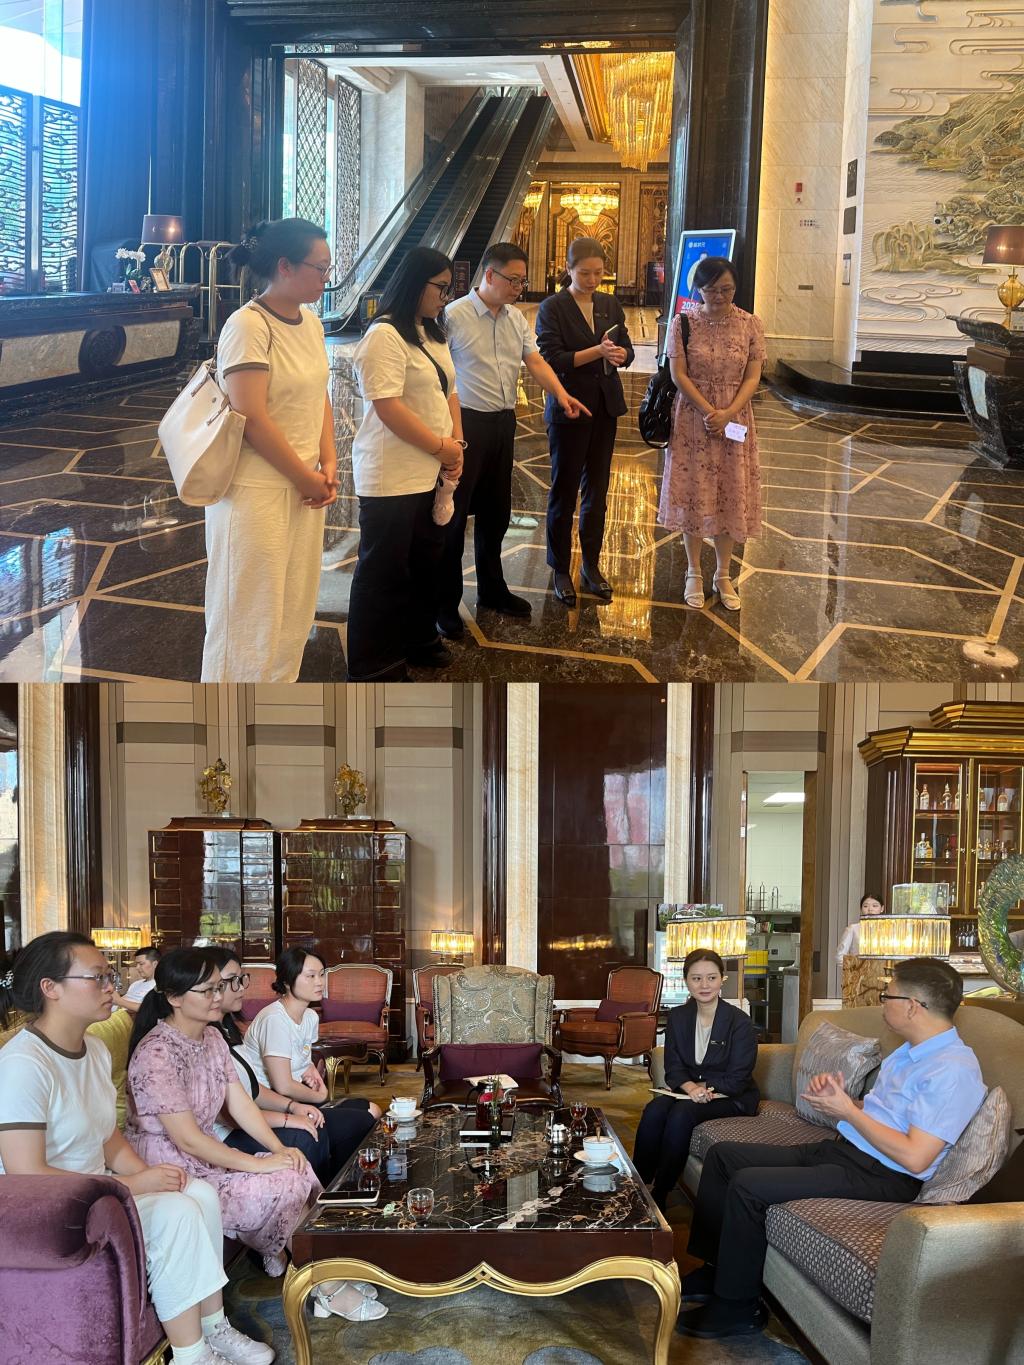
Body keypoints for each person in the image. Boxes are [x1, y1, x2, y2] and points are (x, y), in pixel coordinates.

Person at [0, 932, 275, 1365]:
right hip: (49, 1213)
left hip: (98, 1191)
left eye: (110, 976)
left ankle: (213, 1326)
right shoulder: (23, 1065)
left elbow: (107, 1138)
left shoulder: (92, 1050)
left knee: (198, 1193)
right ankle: (192, 1355)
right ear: (50, 988)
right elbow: (26, 1176)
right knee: (177, 1212)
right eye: (97, 978)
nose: (111, 987)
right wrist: (129, 1186)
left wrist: (142, 1175)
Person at [678, 957, 987, 1341]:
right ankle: (715, 1268)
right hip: (847, 1152)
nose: (882, 1003)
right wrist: (844, 1101)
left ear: (912, 1006)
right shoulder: (910, 1053)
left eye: (887, 995)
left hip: (884, 1175)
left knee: (748, 1185)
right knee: (724, 1156)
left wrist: (848, 1112)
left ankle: (738, 1307)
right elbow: (887, 1116)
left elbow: (915, 1156)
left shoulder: (952, 1070)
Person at [125, 948, 320, 1283]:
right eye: (208, 990)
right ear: (174, 997)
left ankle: (317, 1268)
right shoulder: (156, 1054)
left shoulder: (213, 1037)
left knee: (296, 1166)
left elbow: (241, 1104)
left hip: (207, 1155)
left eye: (219, 987)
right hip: (171, 1167)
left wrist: (278, 1149)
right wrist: (258, 1164)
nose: (219, 997)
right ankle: (321, 1282)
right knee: (284, 1179)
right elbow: (187, 1139)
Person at [201, 218, 338, 683]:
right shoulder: (248, 325)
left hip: (304, 486)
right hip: (255, 492)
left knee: (291, 613)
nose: (326, 277)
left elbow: (319, 395)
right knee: (248, 619)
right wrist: (305, 476)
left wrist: (328, 462)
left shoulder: (312, 323)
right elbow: (251, 418)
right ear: (285, 266)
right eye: (320, 268)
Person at [438, 242, 590, 638]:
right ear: (489, 275)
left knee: (496, 512)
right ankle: (445, 603)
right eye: (514, 280)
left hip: (503, 423)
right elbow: (439, 375)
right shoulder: (453, 316)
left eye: (523, 281)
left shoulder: (516, 318)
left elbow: (534, 360)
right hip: (465, 424)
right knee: (454, 516)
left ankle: (492, 589)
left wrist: (561, 394)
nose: (519, 288)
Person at [346, 246, 464, 681]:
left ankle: (418, 639)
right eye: (440, 288)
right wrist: (440, 447)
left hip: (432, 468)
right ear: (415, 282)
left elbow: (450, 392)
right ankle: (374, 665)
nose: (444, 298)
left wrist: (457, 445)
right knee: (384, 572)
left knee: (424, 563)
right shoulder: (385, 335)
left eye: (449, 290)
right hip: (392, 473)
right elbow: (388, 407)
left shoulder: (432, 332)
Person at [204, 947, 379, 1184]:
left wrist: (302, 1092)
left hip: (270, 1106)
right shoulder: (268, 1021)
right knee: (333, 1127)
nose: (242, 987)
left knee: (366, 1111)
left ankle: (341, 1189)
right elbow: (246, 1105)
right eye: (311, 976)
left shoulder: (226, 1031)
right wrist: (294, 1111)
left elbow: (252, 1091)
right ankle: (330, 1191)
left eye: (322, 974)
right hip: (240, 1126)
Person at [658, 256, 765, 612]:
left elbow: (753, 376)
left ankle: (723, 573)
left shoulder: (750, 324)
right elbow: (679, 374)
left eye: (726, 290)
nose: (719, 296)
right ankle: (693, 570)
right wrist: (708, 411)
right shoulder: (683, 322)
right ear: (698, 289)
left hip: (736, 418)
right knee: (695, 492)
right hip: (693, 418)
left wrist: (729, 413)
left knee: (729, 492)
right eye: (711, 290)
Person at [535, 237, 634, 607]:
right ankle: (560, 567)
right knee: (564, 491)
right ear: (569, 269)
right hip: (569, 407)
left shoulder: (609, 303)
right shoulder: (553, 307)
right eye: (584, 273)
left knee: (598, 490)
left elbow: (626, 348)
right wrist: (598, 351)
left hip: (604, 407)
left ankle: (591, 564)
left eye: (598, 273)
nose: (592, 280)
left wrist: (622, 355)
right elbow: (552, 359)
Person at [633, 949, 758, 1211]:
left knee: (682, 1113)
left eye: (711, 978)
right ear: (686, 981)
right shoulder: (679, 1017)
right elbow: (673, 1066)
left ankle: (661, 1192)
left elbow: (738, 1078)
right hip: (689, 1091)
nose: (704, 985)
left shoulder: (739, 1022)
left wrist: (700, 1088)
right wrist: (690, 1088)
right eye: (696, 978)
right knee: (655, 1109)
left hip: (731, 1096)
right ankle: (637, 1186)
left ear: (722, 979)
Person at [835, 893, 886, 962]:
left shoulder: (888, 930)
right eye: (865, 906)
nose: (870, 909)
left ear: (882, 908)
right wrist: (852, 967)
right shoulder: (853, 929)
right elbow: (840, 955)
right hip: (858, 968)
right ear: (861, 909)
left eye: (875, 906)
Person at [113, 943, 161, 1013]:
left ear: (155, 964)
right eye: (137, 964)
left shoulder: (159, 986)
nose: (137, 967)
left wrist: (119, 1001)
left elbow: (150, 1009)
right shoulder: (135, 984)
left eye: (141, 964)